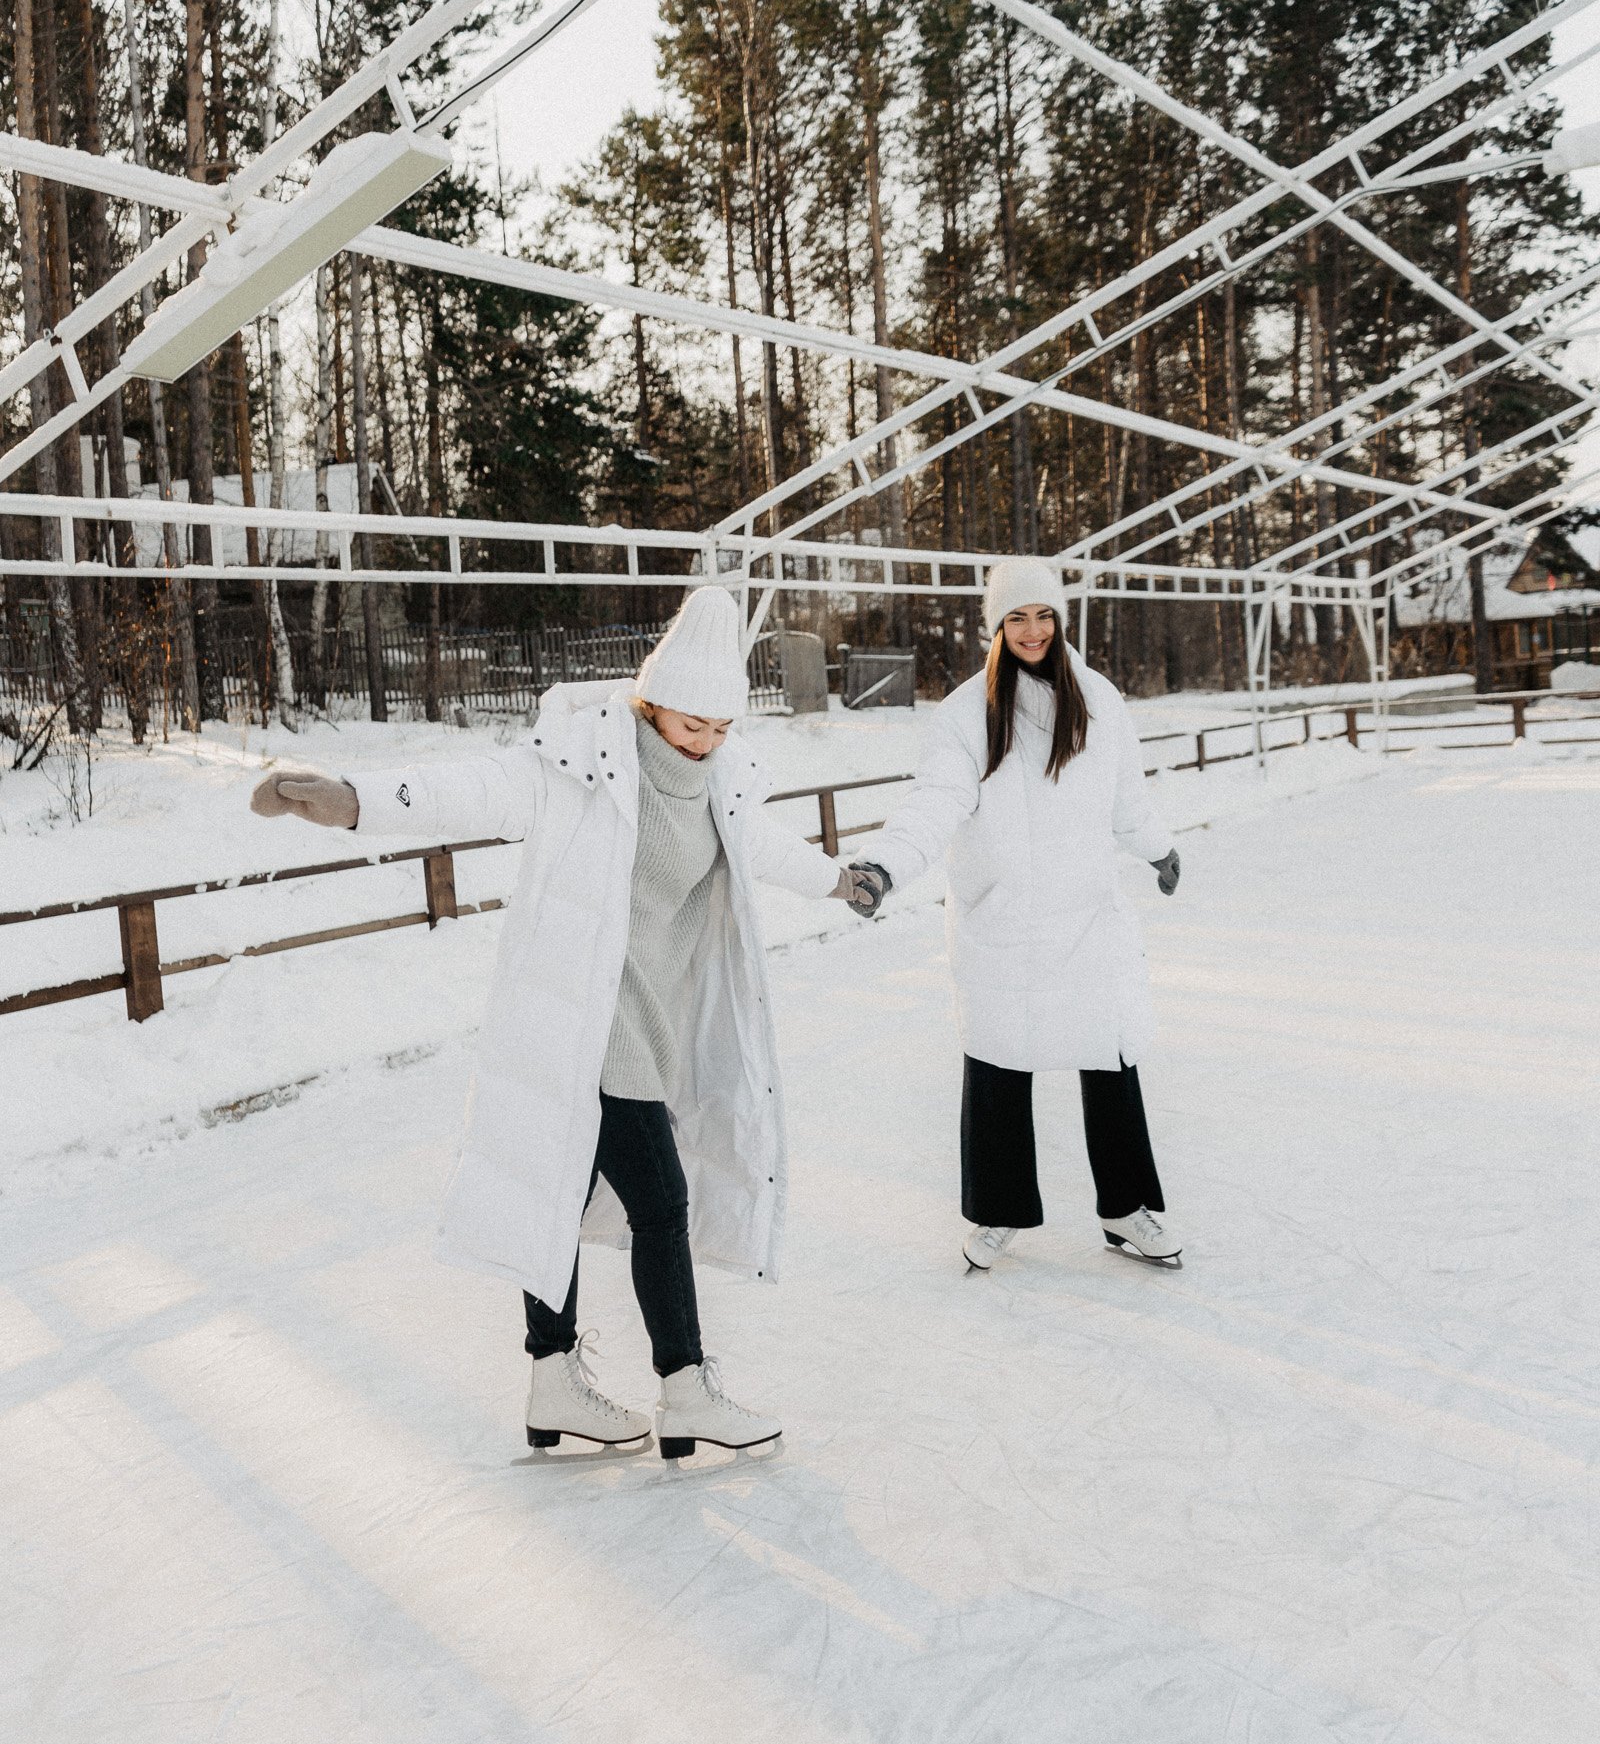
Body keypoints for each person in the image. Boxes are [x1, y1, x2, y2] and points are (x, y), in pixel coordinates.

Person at [250, 585, 871, 1459]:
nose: (705, 742)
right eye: (691, 724)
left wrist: (841, 880)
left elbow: (758, 846)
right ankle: (684, 1390)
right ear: (652, 704)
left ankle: (551, 1377)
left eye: (721, 728)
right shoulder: (580, 766)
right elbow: (471, 789)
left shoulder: (719, 784)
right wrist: (355, 798)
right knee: (662, 1204)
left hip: (656, 1018)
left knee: (561, 1197)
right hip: (593, 1022)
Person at [845, 557, 1184, 1274]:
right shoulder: (966, 714)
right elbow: (933, 804)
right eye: (1017, 617)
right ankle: (998, 1210)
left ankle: (1126, 1208)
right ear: (995, 626)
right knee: (999, 1067)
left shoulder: (1098, 700)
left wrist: (1158, 849)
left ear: (1060, 619)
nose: (1033, 630)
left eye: (1044, 615)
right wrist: (884, 866)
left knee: (1110, 1062)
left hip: (1087, 917)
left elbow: (1127, 798)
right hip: (1003, 921)